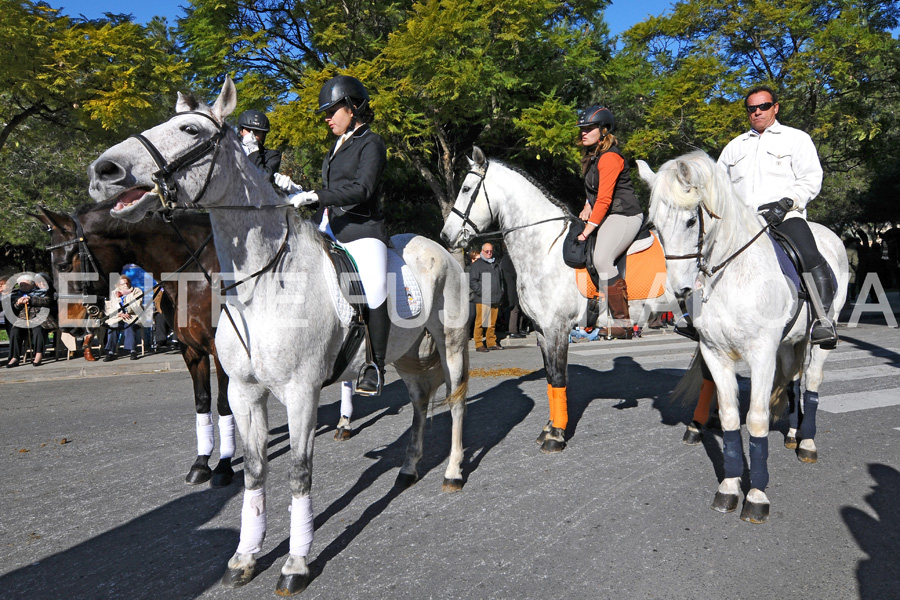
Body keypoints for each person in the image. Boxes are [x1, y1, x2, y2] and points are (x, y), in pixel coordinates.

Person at [275, 75, 390, 396]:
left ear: (352, 107)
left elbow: (362, 189)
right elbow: (330, 191)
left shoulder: (372, 143)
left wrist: (317, 196)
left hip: (362, 229)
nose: (327, 117)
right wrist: (301, 192)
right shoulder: (336, 145)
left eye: (333, 110)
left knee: (375, 285)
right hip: (328, 226)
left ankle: (376, 367)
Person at [717, 85, 837, 348]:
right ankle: (695, 316)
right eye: (752, 108)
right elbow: (719, 187)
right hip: (741, 222)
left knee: (807, 253)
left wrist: (787, 203)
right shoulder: (734, 148)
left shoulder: (796, 139)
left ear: (775, 107)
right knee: (705, 255)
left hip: (785, 216)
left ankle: (822, 319)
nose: (757, 112)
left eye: (763, 106)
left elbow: (810, 179)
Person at [574, 105, 644, 339]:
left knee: (602, 258)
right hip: (607, 213)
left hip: (624, 214)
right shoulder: (593, 157)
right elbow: (594, 192)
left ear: (604, 130)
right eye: (582, 129)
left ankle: (624, 324)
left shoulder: (610, 156)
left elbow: (604, 198)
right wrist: (586, 204)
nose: (583, 132)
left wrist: (587, 230)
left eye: (589, 128)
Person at [5, 274, 53, 367]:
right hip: (23, 319)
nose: (22, 287)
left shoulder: (42, 292)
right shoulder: (15, 294)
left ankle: (38, 354)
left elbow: (47, 301)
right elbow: (12, 308)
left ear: (32, 284)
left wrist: (31, 299)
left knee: (38, 329)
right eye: (21, 285)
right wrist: (18, 303)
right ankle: (14, 357)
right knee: (15, 330)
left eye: (25, 285)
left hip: (40, 318)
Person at [469, 242, 504, 352]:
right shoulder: (477, 265)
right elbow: (473, 281)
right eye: (487, 251)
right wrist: (482, 292)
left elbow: (501, 280)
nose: (489, 253)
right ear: (482, 251)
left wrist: (501, 291)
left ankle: (491, 342)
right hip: (483, 298)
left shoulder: (496, 264)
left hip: (495, 297)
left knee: (492, 323)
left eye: (491, 251)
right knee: (480, 322)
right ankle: (479, 344)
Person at [103, 275, 142, 362]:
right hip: (117, 317)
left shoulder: (136, 291)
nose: (125, 285)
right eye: (122, 284)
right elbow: (108, 309)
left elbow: (136, 306)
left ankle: (132, 350)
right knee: (112, 326)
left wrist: (128, 295)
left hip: (132, 316)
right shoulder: (113, 293)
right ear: (118, 285)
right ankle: (111, 352)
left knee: (129, 325)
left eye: (126, 283)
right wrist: (119, 313)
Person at [238, 109, 282, 183]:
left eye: (257, 131)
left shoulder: (272, 155)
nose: (252, 135)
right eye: (248, 130)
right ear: (241, 131)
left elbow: (264, 180)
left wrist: (253, 149)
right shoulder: (230, 151)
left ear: (263, 135)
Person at [499, 251, 525, 338]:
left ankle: (517, 328)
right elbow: (514, 273)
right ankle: (513, 330)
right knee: (515, 309)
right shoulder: (508, 259)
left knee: (518, 309)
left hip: (512, 287)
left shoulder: (506, 258)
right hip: (512, 288)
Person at [844, 237, 859, 303]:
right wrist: (856, 269)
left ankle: (845, 299)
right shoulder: (854, 251)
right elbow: (855, 262)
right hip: (851, 268)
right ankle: (851, 297)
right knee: (852, 284)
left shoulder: (843, 249)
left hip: (843, 268)